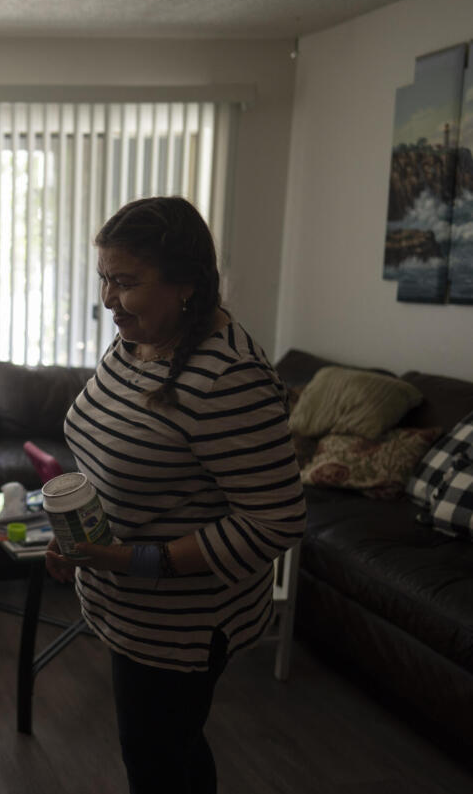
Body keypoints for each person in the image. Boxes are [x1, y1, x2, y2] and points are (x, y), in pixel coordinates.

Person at [46, 196, 306, 794]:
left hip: (179, 627)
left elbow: (277, 519)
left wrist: (136, 559)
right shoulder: (140, 340)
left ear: (185, 283)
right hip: (127, 607)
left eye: (125, 281)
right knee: (171, 748)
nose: (108, 298)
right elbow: (118, 445)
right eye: (104, 278)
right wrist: (79, 538)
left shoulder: (227, 377)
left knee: (156, 760)